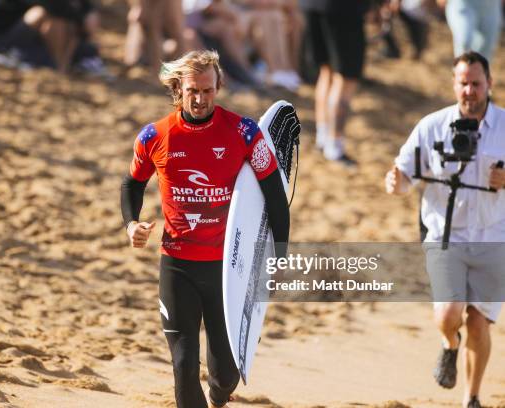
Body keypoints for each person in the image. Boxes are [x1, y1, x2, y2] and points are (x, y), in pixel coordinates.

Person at [120, 50, 289, 408]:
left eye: (208, 91)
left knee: (226, 375)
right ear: (178, 89)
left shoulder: (244, 134)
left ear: (219, 87)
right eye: (192, 91)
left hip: (229, 267)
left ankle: (218, 397)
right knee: (183, 362)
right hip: (177, 263)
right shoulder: (155, 136)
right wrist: (131, 223)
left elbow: (275, 195)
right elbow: (132, 184)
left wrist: (278, 258)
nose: (200, 100)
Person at [385, 51, 505, 408]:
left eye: (476, 83)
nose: (469, 90)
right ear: (454, 84)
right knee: (449, 314)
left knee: (479, 322)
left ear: (490, 84)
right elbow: (404, 174)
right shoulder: (431, 126)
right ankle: (449, 344)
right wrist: (396, 182)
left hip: (493, 235)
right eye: (463, 83)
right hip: (443, 233)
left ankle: (472, 397)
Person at [299, 0, 369, 165]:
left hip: (311, 6)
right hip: (343, 8)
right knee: (345, 79)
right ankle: (335, 145)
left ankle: (322, 139)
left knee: (326, 72)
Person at [437, 0, 502, 62]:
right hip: (464, 4)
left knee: (484, 51)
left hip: (490, 5)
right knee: (464, 40)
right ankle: (462, 71)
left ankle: (476, 71)